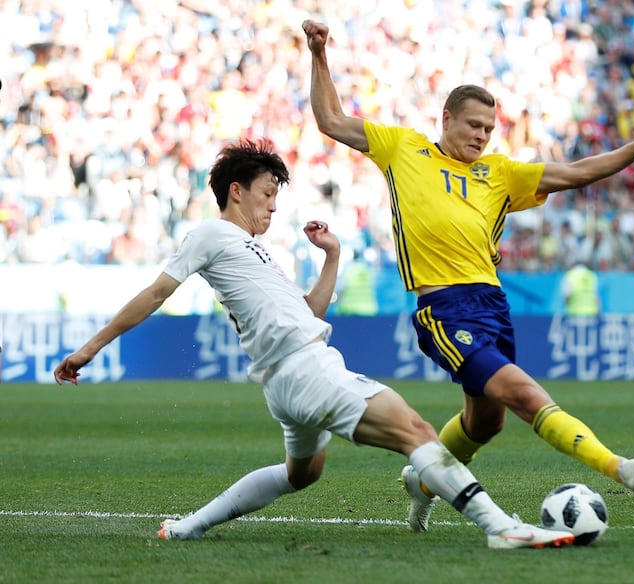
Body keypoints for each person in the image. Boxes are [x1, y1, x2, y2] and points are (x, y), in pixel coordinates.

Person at [53, 139, 574, 549]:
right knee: (415, 430)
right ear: (237, 191)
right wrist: (92, 346)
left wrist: (331, 257)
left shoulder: (252, 252)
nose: (273, 207)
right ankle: (501, 526)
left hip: (287, 380)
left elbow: (308, 312)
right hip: (305, 369)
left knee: (303, 473)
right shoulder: (211, 235)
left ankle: (190, 526)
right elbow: (156, 292)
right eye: (266, 194)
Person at [303, 20, 634, 532]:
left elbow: (578, 171)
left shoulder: (500, 173)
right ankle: (620, 468)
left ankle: (421, 480)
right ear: (447, 118)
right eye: (473, 125)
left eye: (488, 129)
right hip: (444, 308)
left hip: (492, 306)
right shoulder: (402, 149)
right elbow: (330, 118)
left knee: (488, 420)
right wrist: (319, 52)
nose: (481, 136)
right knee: (523, 395)